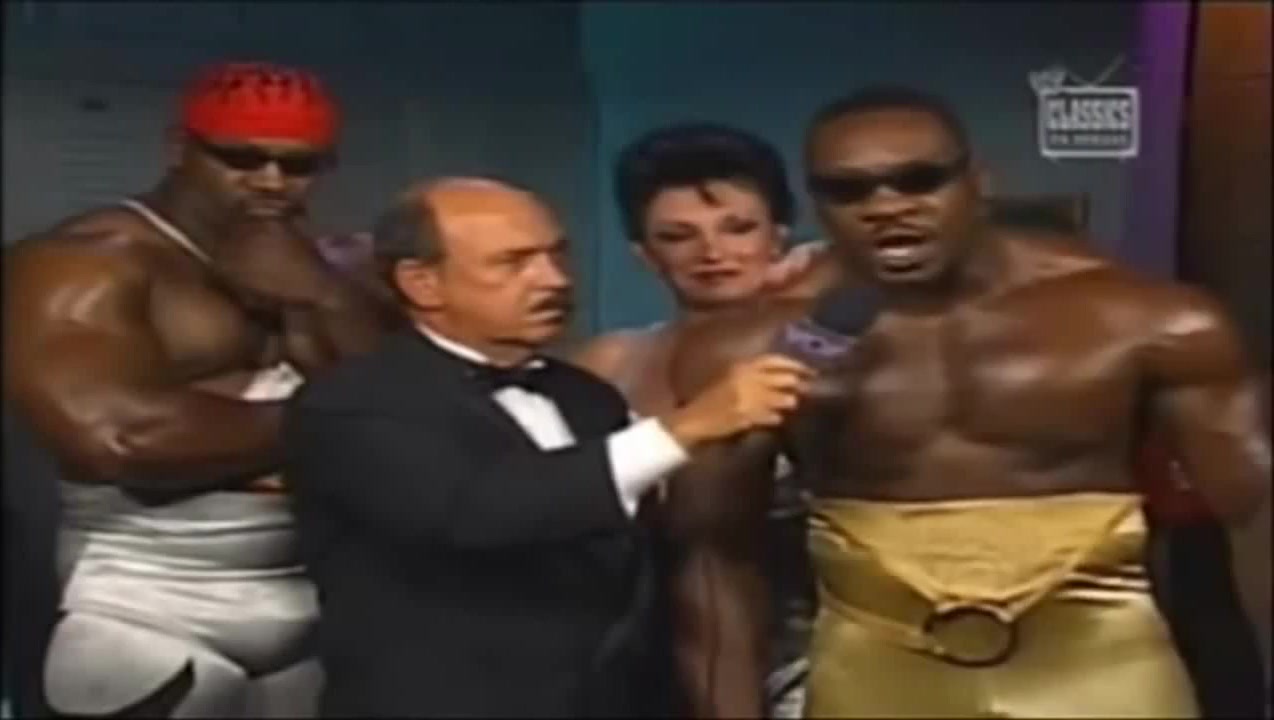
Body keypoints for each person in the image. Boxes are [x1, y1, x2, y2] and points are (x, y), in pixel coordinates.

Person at [666, 86, 1271, 718]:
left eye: (920, 181)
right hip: (876, 668)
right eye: (850, 191)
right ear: (817, 204)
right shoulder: (750, 345)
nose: (887, 207)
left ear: (978, 181)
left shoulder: (1148, 322)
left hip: (1102, 663)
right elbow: (713, 559)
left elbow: (1255, 521)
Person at [282, 177, 815, 717]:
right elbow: (479, 510)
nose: (554, 280)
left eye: (557, 255)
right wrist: (686, 427)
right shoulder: (353, 403)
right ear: (423, 283)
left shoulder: (586, 397)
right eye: (513, 263)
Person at [3, 61, 388, 718]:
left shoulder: (329, 275)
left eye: (298, 165)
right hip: (144, 612)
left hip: (309, 610)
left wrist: (320, 297)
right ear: (179, 147)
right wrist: (342, 421)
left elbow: (422, 429)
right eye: (241, 158)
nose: (271, 181)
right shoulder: (84, 262)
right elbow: (120, 439)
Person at [570, 123, 826, 719]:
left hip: (805, 648)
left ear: (779, 237)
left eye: (738, 228)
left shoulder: (827, 351)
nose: (712, 252)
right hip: (639, 652)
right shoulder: (611, 361)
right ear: (644, 253)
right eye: (678, 236)